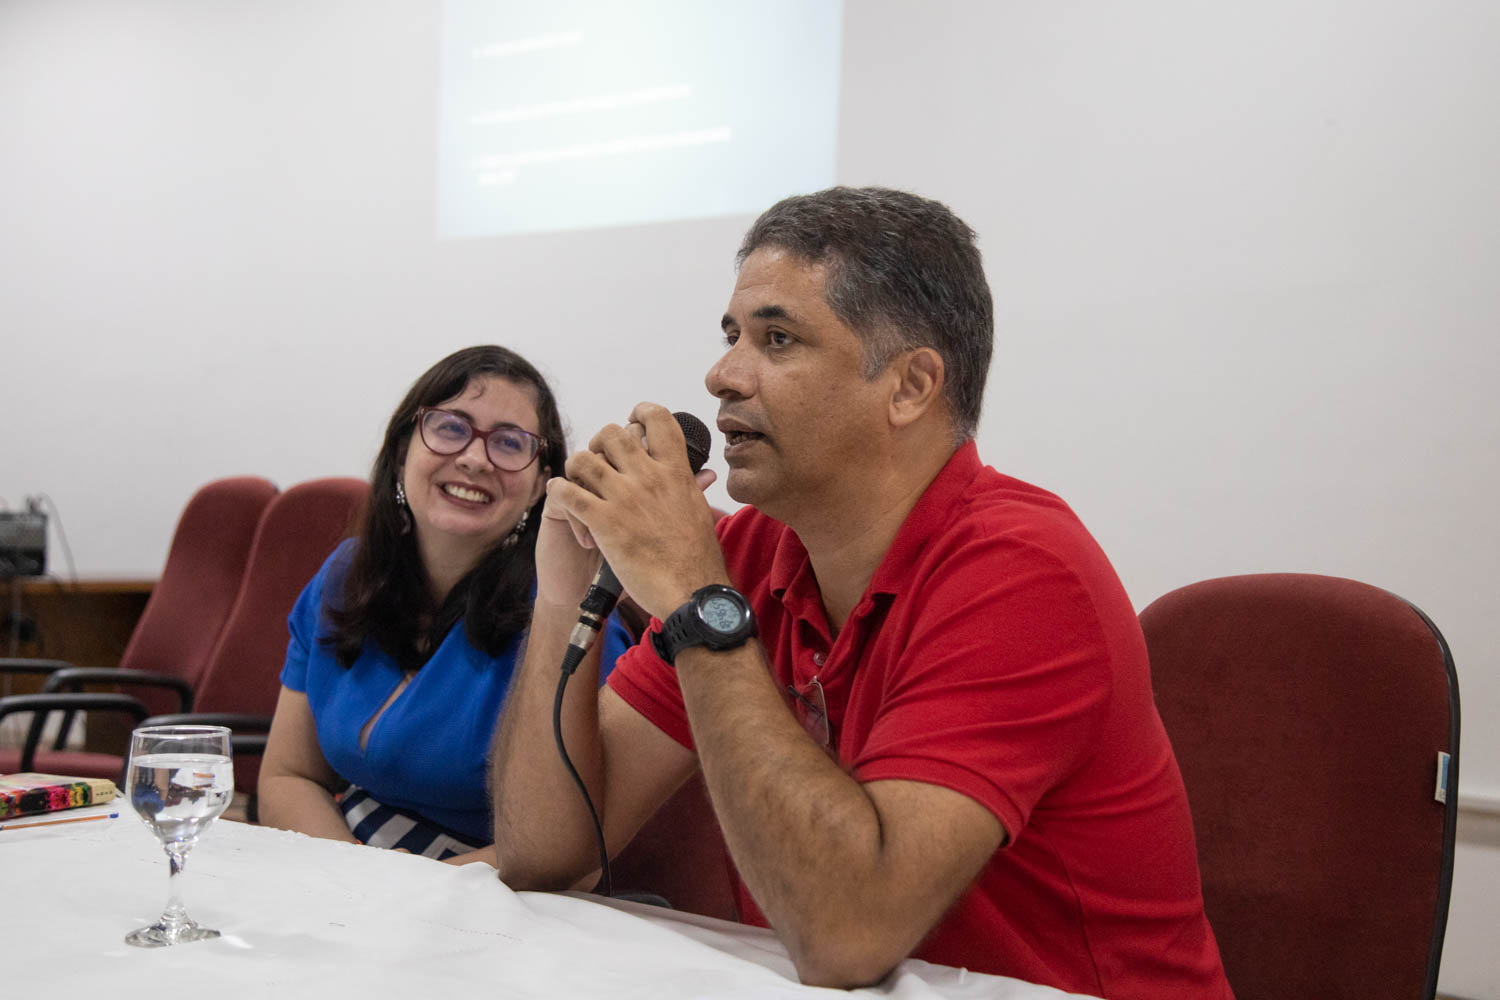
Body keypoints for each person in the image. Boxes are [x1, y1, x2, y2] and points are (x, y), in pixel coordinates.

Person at [489, 188, 1233, 997]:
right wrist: (561, 599)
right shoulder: (746, 557)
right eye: (732, 335)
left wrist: (696, 596)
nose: (722, 374)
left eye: (777, 339)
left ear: (910, 387)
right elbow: (548, 855)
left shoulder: (1025, 572)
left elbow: (845, 936)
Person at [258, 345, 630, 862]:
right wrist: (348, 885)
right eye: (451, 428)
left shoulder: (570, 620)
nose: (475, 459)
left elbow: (576, 852)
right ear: (403, 449)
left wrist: (390, 902)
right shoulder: (343, 577)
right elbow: (288, 774)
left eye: (508, 442)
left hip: (491, 902)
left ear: (541, 483)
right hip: (347, 867)